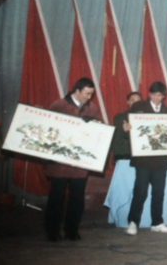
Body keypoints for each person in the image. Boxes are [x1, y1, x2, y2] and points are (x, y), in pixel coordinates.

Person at [44, 77, 103, 242]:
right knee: (56, 198)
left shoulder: (92, 107)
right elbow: (47, 129)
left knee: (77, 199)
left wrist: (94, 123)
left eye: (91, 94)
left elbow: (100, 130)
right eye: (87, 94)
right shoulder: (59, 105)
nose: (89, 97)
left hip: (79, 164)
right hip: (59, 164)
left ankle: (72, 230)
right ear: (77, 91)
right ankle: (52, 231)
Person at [125, 81, 167, 235]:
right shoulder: (138, 107)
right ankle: (133, 222)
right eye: (154, 95)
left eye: (160, 95)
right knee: (140, 191)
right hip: (143, 158)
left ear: (164, 96)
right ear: (149, 94)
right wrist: (126, 129)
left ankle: (157, 222)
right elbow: (128, 127)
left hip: (160, 159)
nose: (156, 98)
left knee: (159, 192)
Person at [111, 91, 142, 161]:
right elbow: (115, 138)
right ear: (128, 102)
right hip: (125, 157)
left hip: (142, 157)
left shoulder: (146, 118)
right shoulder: (119, 117)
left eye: (138, 101)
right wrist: (123, 130)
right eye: (133, 100)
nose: (135, 103)